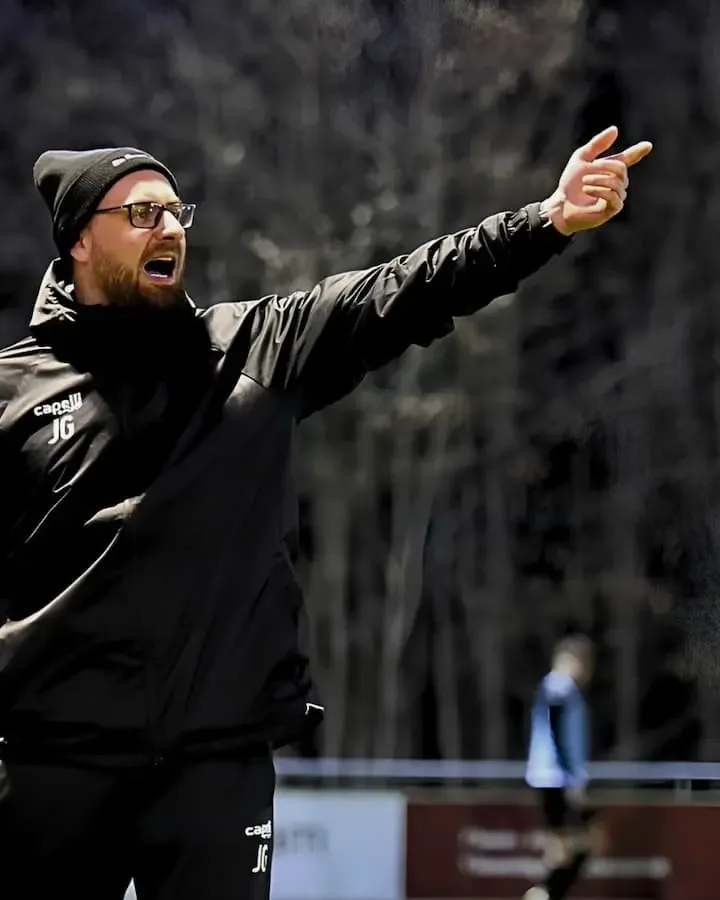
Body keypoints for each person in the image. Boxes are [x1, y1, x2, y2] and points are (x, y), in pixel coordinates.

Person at [0, 126, 650, 900]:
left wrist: (544, 221)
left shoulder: (253, 350)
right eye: (142, 215)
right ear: (78, 239)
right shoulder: (14, 393)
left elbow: (407, 290)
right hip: (54, 763)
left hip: (217, 763)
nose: (170, 228)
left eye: (176, 211)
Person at [523, 635, 603, 900]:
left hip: (555, 778)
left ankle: (546, 893)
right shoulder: (559, 687)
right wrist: (572, 780)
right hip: (557, 779)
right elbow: (557, 733)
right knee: (576, 844)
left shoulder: (559, 689)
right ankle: (545, 893)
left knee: (572, 845)